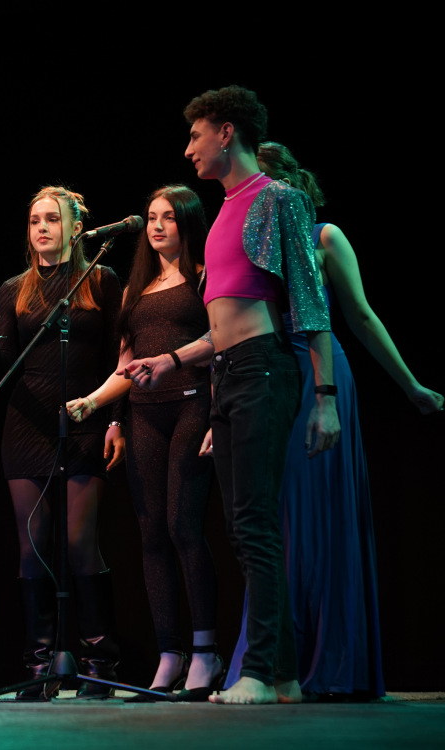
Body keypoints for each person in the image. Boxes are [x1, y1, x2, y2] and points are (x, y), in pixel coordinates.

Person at [122, 85, 341, 705]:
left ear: (226, 133)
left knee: (252, 525)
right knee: (245, 528)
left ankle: (263, 672)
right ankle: (285, 677)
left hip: (264, 370)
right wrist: (170, 359)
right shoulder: (223, 212)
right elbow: (220, 326)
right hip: (231, 373)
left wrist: (324, 395)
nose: (188, 147)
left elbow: (309, 303)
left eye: (195, 135)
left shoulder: (278, 200)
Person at [222, 142, 444, 699]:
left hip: (317, 374)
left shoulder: (324, 237)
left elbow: (361, 316)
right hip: (266, 373)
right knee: (272, 519)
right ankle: (276, 664)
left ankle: (331, 661)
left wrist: (410, 385)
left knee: (318, 519)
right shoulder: (246, 242)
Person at [68, 185, 221, 701]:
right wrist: (99, 408)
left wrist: (216, 416)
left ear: (188, 224)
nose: (157, 226)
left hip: (192, 404)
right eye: (152, 217)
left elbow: (223, 343)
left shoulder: (204, 277)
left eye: (169, 218)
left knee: (183, 525)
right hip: (143, 415)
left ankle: (205, 651)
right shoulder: (138, 288)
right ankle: (169, 653)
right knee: (151, 531)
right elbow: (124, 367)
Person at [0, 186, 124, 699]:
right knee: (33, 550)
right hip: (25, 429)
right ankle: (39, 664)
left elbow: (122, 354)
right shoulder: (13, 290)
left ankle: (98, 661)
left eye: (52, 218)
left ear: (76, 227)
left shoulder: (102, 282)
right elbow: (1, 370)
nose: (42, 228)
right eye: (34, 221)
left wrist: (115, 419)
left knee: (78, 541)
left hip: (86, 421)